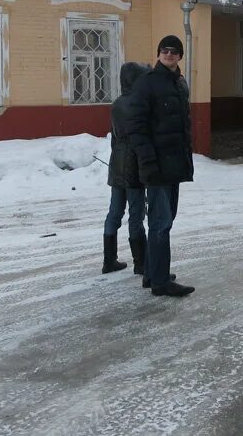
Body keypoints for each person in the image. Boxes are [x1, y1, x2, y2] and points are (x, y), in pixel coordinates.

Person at [127, 34, 196, 298]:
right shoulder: (147, 84)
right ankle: (160, 283)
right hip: (156, 169)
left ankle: (153, 273)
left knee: (165, 222)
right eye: (164, 50)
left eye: (174, 51)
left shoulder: (179, 83)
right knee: (160, 224)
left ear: (180, 56)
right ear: (158, 54)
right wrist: (148, 163)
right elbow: (137, 128)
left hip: (175, 167)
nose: (169, 54)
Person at [102, 61, 151, 275]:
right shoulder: (140, 103)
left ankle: (109, 260)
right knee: (136, 213)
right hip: (134, 162)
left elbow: (114, 137)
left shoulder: (117, 103)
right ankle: (140, 262)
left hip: (117, 162)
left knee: (115, 211)